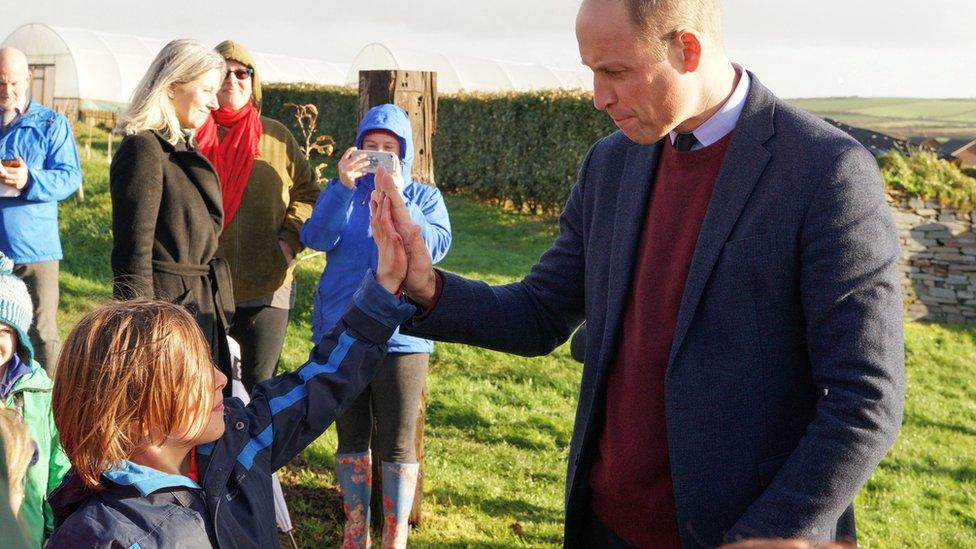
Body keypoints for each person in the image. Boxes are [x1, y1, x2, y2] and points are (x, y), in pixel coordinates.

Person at [373, 0, 905, 546]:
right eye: (592, 72)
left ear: (687, 49)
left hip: (740, 533)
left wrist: (778, 530)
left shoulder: (825, 172)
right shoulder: (610, 164)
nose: (599, 98)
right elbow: (537, 313)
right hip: (603, 527)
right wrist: (426, 285)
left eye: (615, 71)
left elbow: (865, 396)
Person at [46, 187, 417, 548]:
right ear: (135, 416)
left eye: (210, 363)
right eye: (194, 375)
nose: (221, 379)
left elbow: (318, 385)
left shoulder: (240, 443)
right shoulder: (103, 536)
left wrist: (384, 290)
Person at [301, 103, 451, 548]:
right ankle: (355, 531)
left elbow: (437, 246)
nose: (380, 155)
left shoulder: (424, 197)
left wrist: (402, 199)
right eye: (372, 147)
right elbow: (315, 238)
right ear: (358, 149)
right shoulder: (344, 193)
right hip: (344, 331)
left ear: (403, 156)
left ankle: (394, 536)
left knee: (399, 441)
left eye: (390, 149)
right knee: (350, 434)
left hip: (404, 337)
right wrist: (343, 188)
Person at [197, 40, 319, 393]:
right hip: (205, 286)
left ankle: (257, 450)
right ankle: (212, 450)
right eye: (223, 72)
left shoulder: (276, 136)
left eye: (241, 73)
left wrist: (288, 240)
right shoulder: (190, 133)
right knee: (208, 386)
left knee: (258, 388)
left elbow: (308, 191)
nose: (232, 80)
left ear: (254, 81)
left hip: (268, 286)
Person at [110, 39, 235, 378]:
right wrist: (142, 334)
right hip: (165, 317)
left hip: (196, 307)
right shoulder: (144, 149)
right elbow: (132, 253)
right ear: (172, 87)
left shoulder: (180, 148)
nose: (214, 102)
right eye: (207, 90)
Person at [0, 47, 82, 374]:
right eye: (0, 83)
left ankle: (48, 408)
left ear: (29, 79)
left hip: (34, 249)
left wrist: (29, 178)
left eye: (15, 84)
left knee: (41, 331)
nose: (7, 92)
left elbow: (69, 177)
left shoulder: (51, 123)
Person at [0, 251, 69, 547]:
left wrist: (56, 531)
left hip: (30, 536)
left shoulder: (41, 393)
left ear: (19, 338)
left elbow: (59, 466)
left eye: (3, 331)